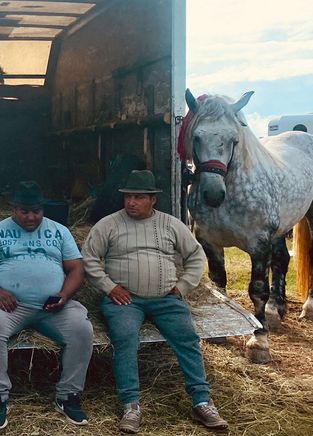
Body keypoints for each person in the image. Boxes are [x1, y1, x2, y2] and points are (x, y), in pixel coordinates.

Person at [81, 170, 228, 433]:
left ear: (153, 200)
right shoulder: (109, 224)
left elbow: (195, 256)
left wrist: (182, 287)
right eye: (128, 197)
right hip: (125, 300)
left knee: (187, 338)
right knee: (125, 338)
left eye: (138, 197)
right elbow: (89, 258)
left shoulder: (171, 225)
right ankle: (131, 406)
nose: (131, 203)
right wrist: (109, 286)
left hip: (166, 299)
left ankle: (202, 401)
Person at [0, 180, 94, 430]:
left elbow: (76, 269)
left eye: (36, 211)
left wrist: (64, 295)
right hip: (11, 307)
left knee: (82, 329)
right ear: (13, 209)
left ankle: (68, 395)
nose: (31, 217)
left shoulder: (59, 231)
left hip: (53, 307)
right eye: (24, 211)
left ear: (43, 209)